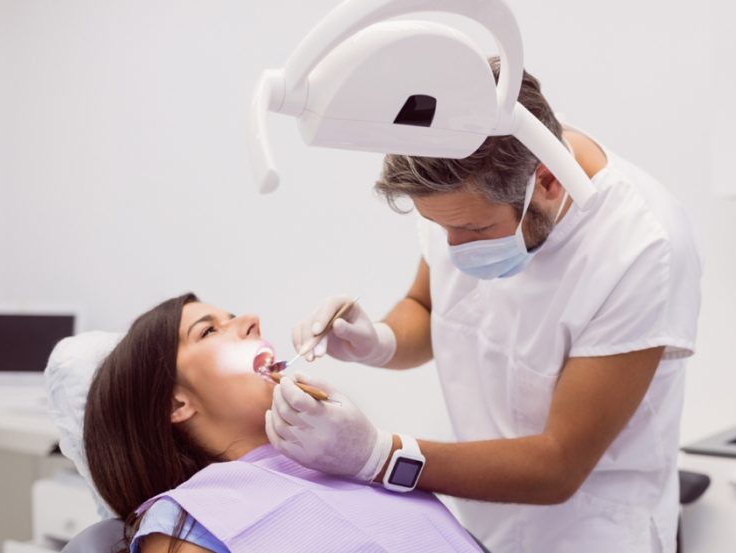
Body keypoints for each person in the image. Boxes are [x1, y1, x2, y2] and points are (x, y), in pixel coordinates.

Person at [267, 59, 702, 552]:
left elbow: (558, 466)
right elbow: (428, 308)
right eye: (439, 226)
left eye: (474, 231)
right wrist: (379, 341)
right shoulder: (462, 189)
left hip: (591, 532)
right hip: (475, 525)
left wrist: (379, 455)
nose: (454, 248)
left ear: (549, 182)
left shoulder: (641, 246)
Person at [83, 293, 482, 553]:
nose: (253, 320)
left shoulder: (347, 457)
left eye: (232, 317)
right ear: (176, 402)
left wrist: (375, 456)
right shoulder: (186, 522)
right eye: (208, 331)